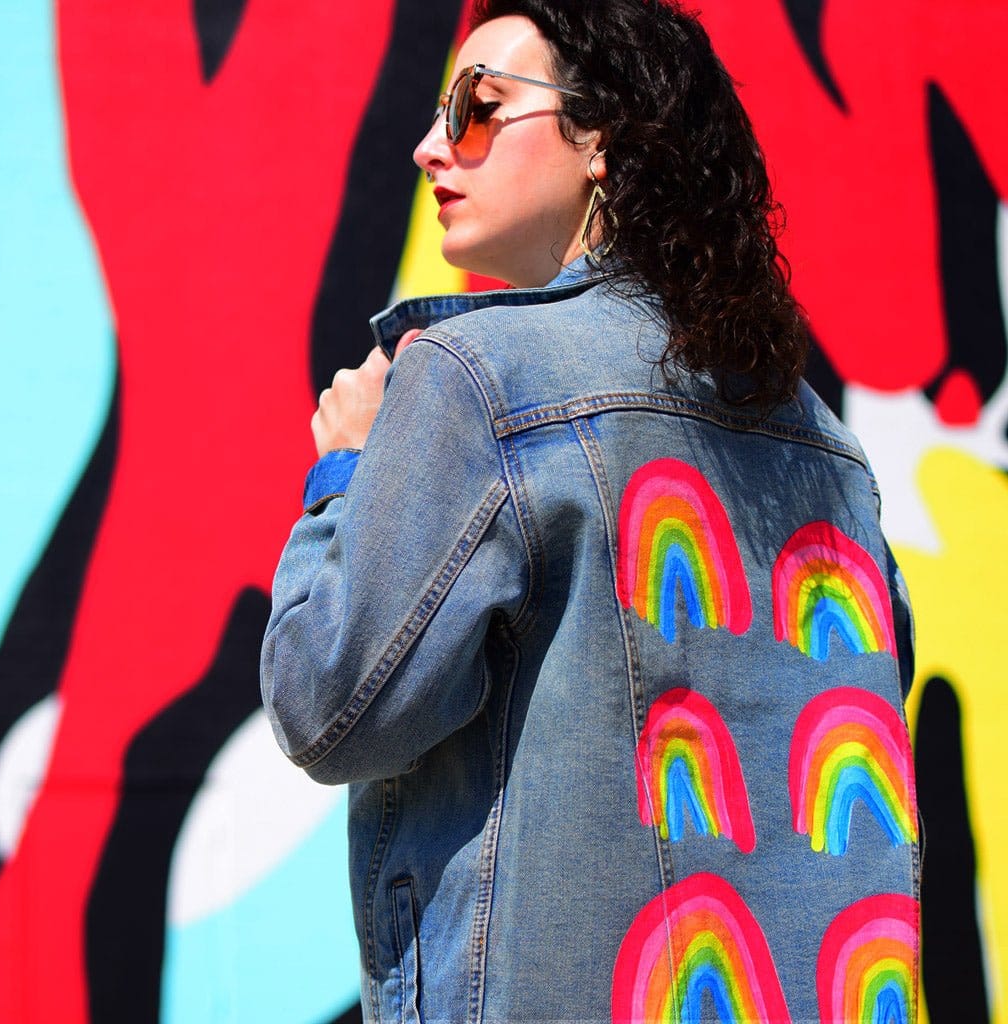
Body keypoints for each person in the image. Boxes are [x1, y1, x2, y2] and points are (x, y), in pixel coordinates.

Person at [262, 2, 920, 1021]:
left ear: (602, 133)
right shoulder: (825, 445)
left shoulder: (471, 379)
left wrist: (344, 473)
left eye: (478, 108)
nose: (431, 144)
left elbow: (332, 707)